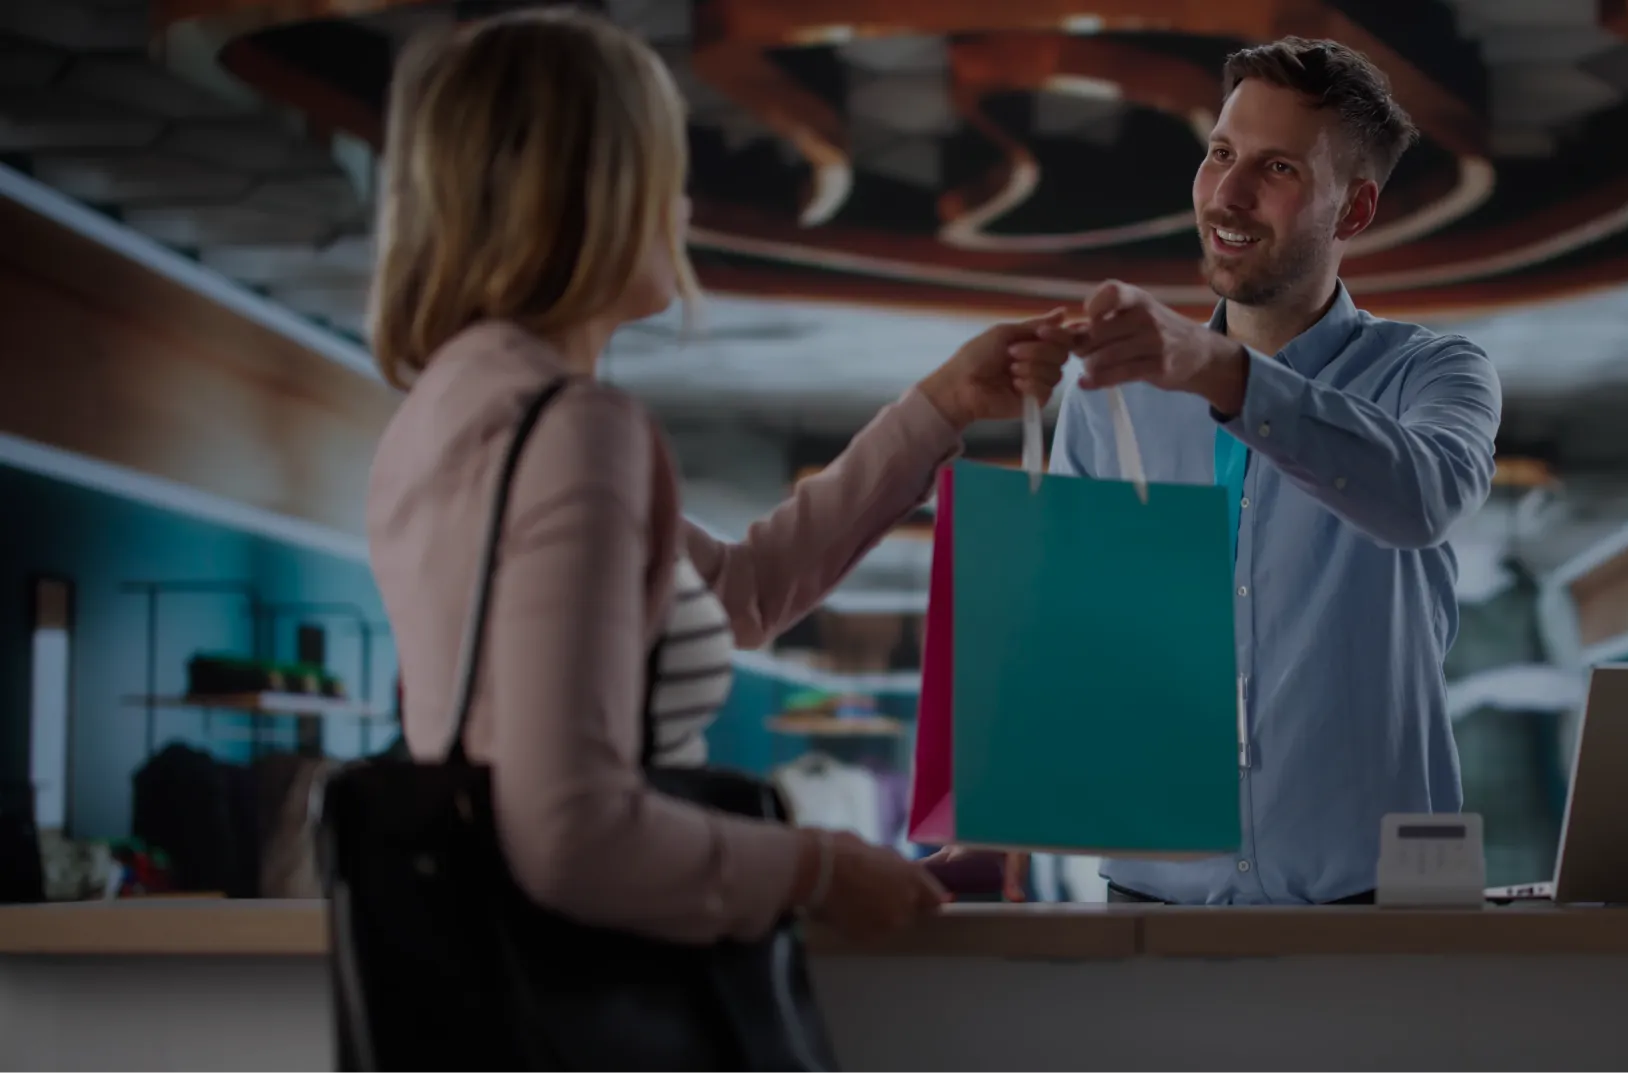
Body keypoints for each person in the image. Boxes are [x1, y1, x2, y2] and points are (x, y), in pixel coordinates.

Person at [363, 8, 1071, 944]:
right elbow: (571, 834)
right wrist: (816, 868)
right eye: (666, 169)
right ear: (594, 187)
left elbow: (741, 592)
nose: (686, 208)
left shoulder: (449, 411)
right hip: (595, 980)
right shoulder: (573, 429)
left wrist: (938, 405)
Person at [957, 36, 1504, 905]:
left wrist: (1216, 371)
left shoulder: (1434, 373)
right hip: (1154, 885)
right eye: (1220, 154)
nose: (1229, 194)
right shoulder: (1111, 394)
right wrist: (1010, 805)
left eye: (1277, 167)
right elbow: (1074, 624)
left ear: (1353, 212)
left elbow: (1424, 497)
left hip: (1388, 891)